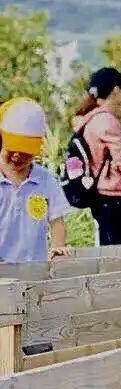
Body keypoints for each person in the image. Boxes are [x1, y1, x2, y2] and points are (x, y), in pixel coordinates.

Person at [71, 67, 121, 246]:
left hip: (101, 196)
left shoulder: (89, 118)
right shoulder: (106, 121)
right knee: (119, 254)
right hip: (112, 196)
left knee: (109, 249)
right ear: (116, 90)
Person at [0, 98, 70, 264]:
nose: (17, 156)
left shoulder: (45, 180)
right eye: (12, 149)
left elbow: (57, 220)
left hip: (34, 267)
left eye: (25, 153)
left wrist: (58, 247)